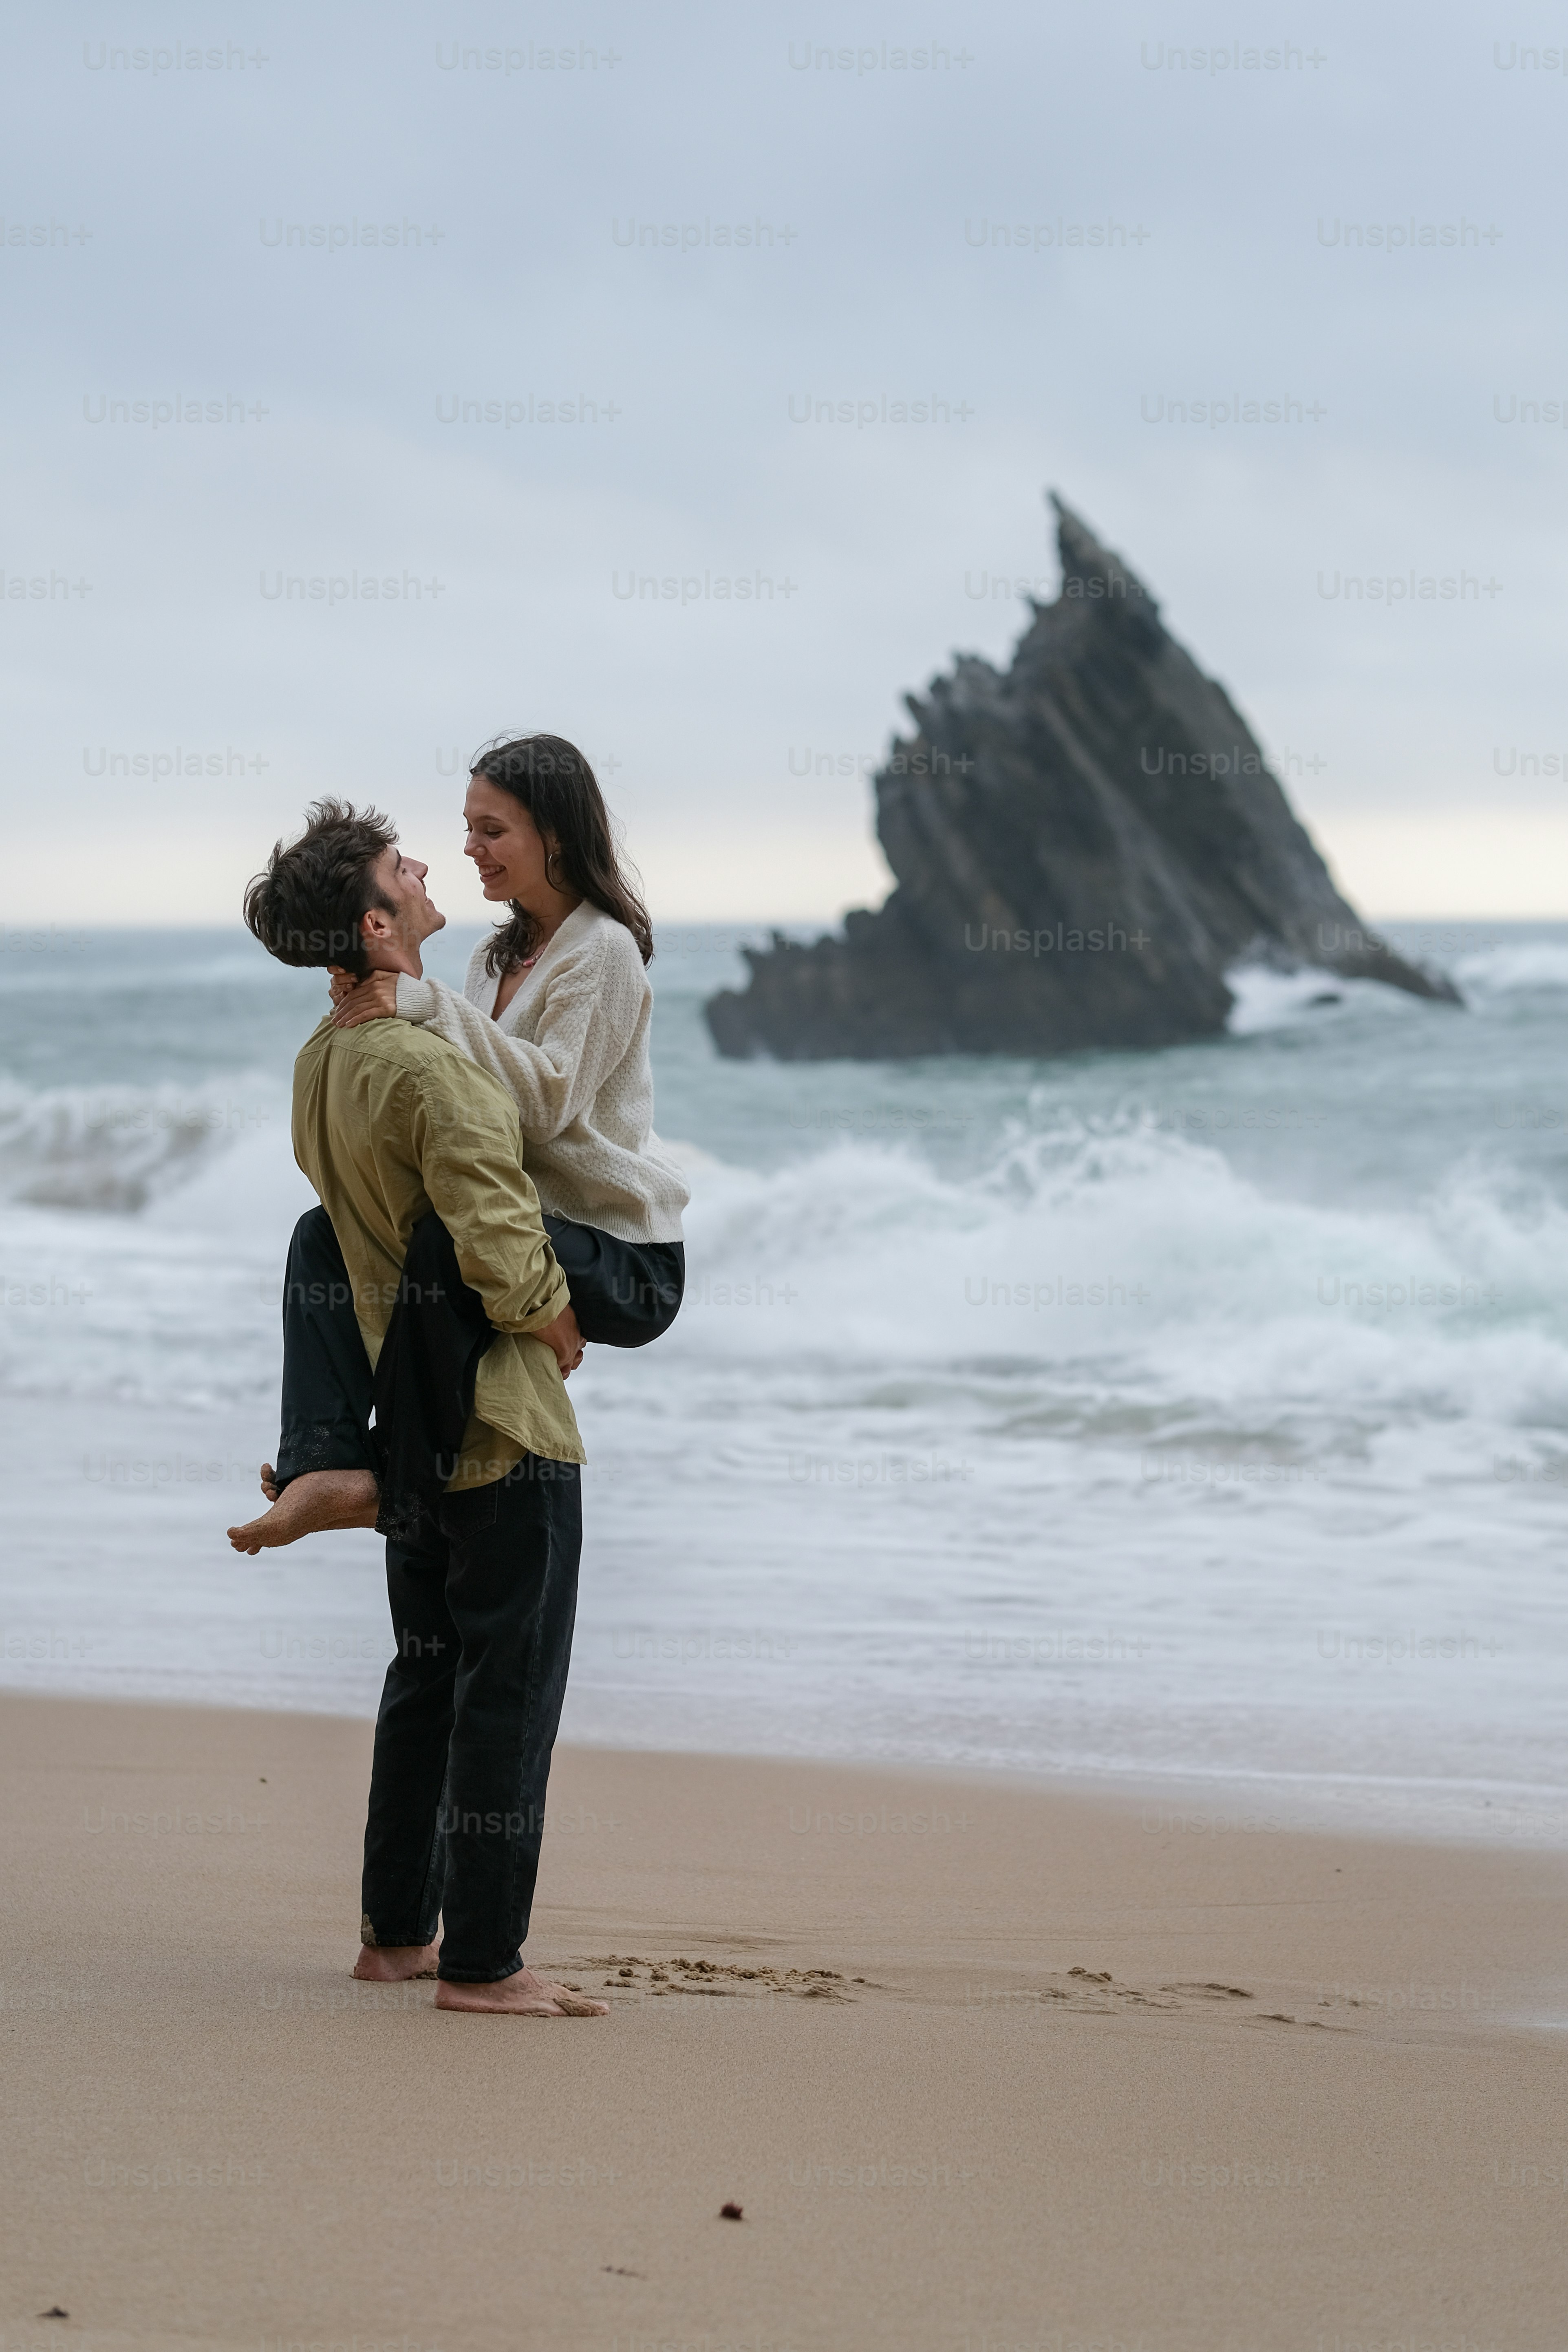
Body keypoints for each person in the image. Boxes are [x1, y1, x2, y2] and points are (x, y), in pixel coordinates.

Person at [237, 798, 607, 2018]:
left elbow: (351, 1236)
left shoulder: (322, 1063)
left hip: (412, 1423)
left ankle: (397, 1934)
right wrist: (556, 1317)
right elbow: (496, 1223)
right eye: (407, 866)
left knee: (427, 1673)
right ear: (378, 921)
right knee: (509, 1694)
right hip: (502, 1428)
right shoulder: (418, 1061)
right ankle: (486, 1966)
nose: (431, 867)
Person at [228, 733, 688, 1554]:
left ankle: (394, 1480)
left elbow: (544, 1103)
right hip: (529, 1224)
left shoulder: (603, 950)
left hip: (622, 1257)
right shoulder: (490, 953)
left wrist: (418, 1001)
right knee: (321, 1233)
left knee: (441, 1242)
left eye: (491, 829)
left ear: (556, 835)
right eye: (467, 826)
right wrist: (357, 1000)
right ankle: (321, 1459)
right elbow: (467, 1095)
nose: (468, 848)